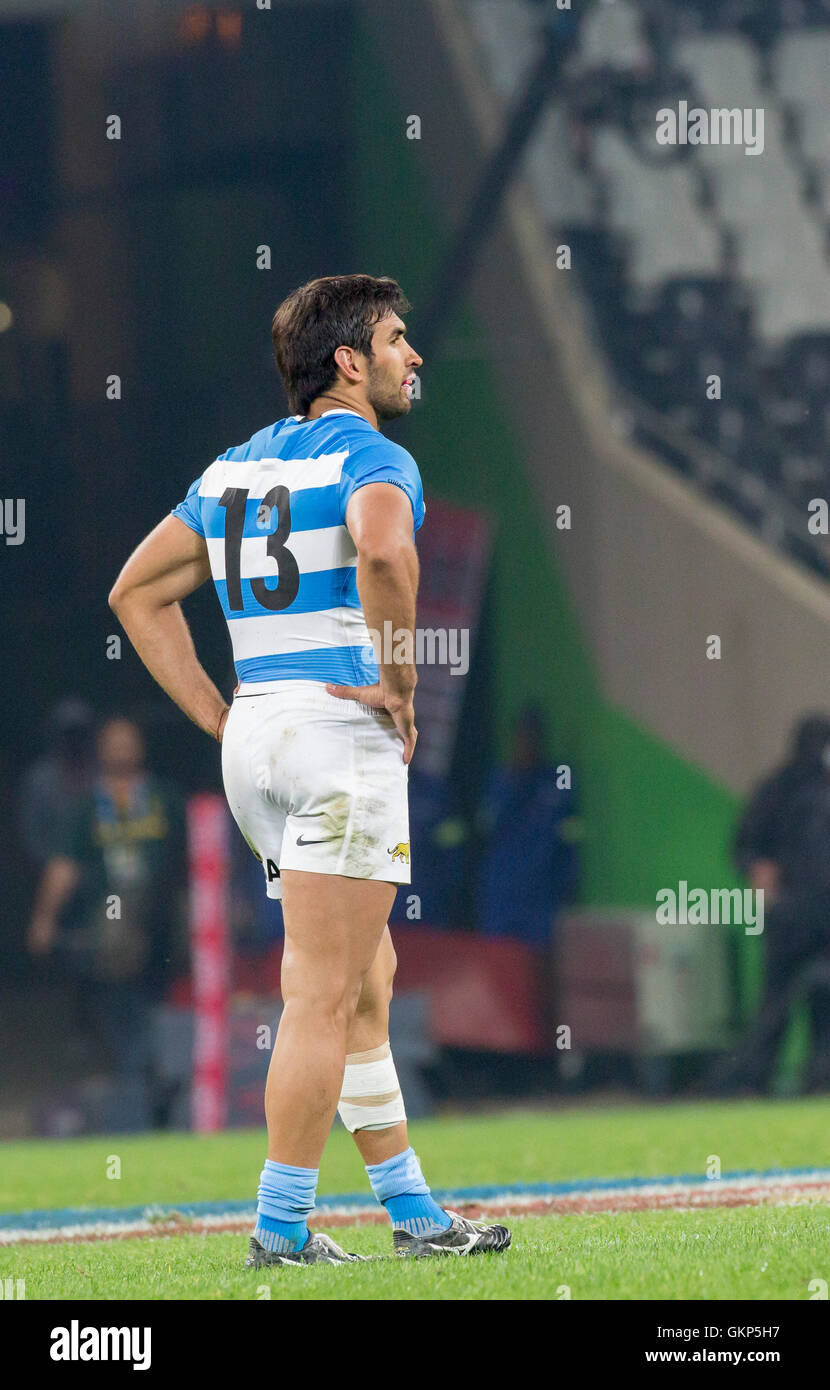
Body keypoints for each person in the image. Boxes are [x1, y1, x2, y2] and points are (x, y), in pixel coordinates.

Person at [108, 275, 510, 1265]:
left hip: (262, 742)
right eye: (396, 339)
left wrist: (220, 715)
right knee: (321, 991)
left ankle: (412, 1215)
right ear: (347, 362)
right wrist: (402, 681)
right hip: (337, 732)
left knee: (361, 976)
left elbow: (136, 592)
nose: (412, 357)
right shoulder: (375, 456)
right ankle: (280, 1231)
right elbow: (382, 552)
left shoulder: (232, 468)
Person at [27, 717, 186, 1115]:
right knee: (119, 1002)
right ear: (101, 750)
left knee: (159, 1005)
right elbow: (64, 865)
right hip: (108, 925)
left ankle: (155, 1077)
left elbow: (193, 856)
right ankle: (138, 1087)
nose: (121, 750)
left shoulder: (164, 796)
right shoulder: (87, 805)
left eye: (128, 742)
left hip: (162, 923)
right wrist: (44, 918)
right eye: (113, 743)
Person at [707, 714, 830, 1094]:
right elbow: (747, 848)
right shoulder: (783, 789)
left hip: (793, 913)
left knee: (784, 1003)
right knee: (786, 1004)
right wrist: (759, 869)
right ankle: (779, 1077)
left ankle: (772, 1079)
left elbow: (744, 846)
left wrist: (757, 869)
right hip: (797, 914)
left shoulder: (775, 788)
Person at [476, 705, 581, 944]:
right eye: (521, 737)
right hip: (503, 898)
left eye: (532, 737)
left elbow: (569, 840)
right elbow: (488, 828)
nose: (527, 744)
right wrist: (515, 779)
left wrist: (567, 889)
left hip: (544, 900)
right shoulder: (501, 781)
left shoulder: (558, 781)